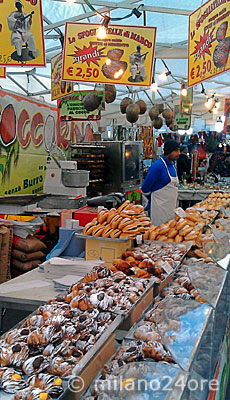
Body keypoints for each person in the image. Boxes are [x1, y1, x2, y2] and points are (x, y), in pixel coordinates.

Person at [141, 140, 180, 226]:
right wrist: (151, 200)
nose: (179, 153)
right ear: (169, 151)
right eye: (176, 150)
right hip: (159, 211)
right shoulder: (158, 166)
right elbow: (145, 188)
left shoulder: (172, 165)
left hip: (171, 208)